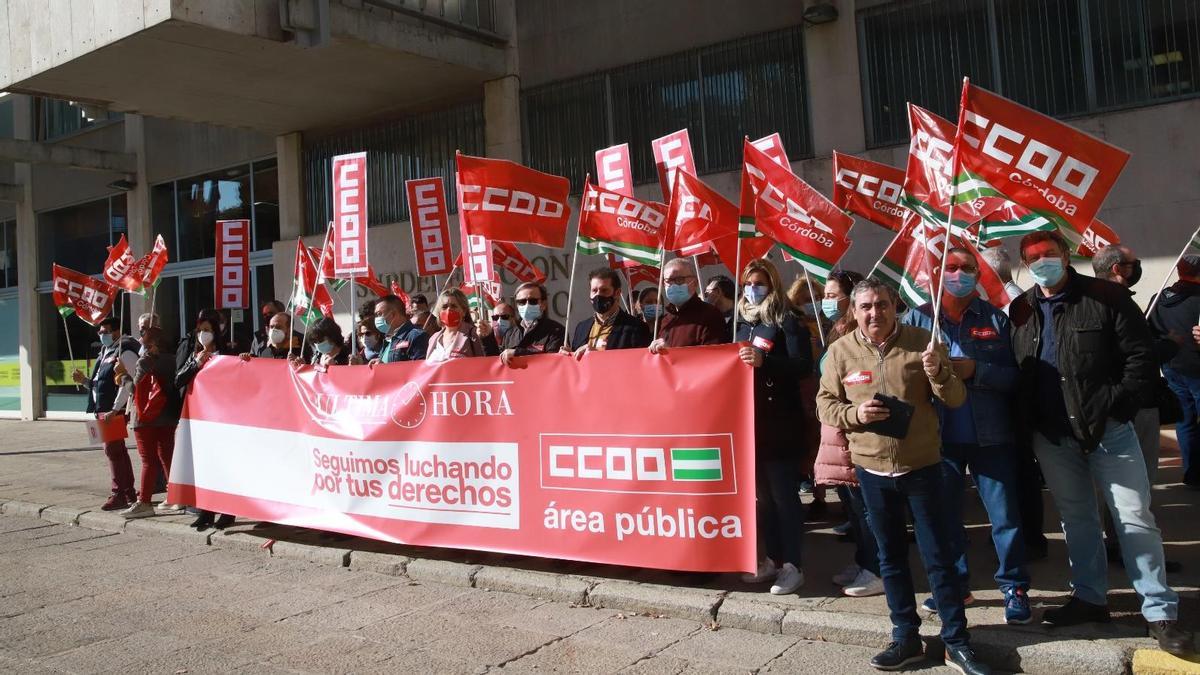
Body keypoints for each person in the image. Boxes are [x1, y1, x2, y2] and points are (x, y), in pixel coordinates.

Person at [1009, 231, 1188, 655]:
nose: (1042, 262)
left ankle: (1160, 611)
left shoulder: (1106, 296)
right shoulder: (1021, 309)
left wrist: (1115, 405)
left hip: (1108, 431)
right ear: (1025, 264)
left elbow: (1140, 358)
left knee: (1134, 517)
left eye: (1049, 254)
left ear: (1066, 256)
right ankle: (1089, 598)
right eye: (1033, 258)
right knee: (1077, 519)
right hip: (1053, 437)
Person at [817, 279, 987, 674]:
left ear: (895, 305)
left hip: (923, 468)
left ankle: (956, 642)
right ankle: (905, 635)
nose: (874, 313)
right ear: (854, 312)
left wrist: (939, 372)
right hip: (872, 473)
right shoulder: (840, 352)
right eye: (865, 307)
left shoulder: (922, 342)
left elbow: (955, 398)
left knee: (938, 558)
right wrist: (853, 416)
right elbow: (825, 405)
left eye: (881, 305)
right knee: (890, 560)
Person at [902, 248, 1032, 625]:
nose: (959, 274)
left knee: (1005, 516)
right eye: (952, 268)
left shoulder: (995, 318)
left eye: (967, 268)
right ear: (938, 274)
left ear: (978, 273)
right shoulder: (917, 319)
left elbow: (1015, 377)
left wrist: (978, 371)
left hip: (990, 436)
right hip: (937, 437)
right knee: (945, 518)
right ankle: (956, 586)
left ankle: (1014, 587)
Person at [734, 259, 812, 596]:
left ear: (773, 284)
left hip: (780, 422)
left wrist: (768, 362)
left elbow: (802, 367)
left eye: (760, 283)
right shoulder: (739, 323)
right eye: (749, 283)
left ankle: (793, 565)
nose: (754, 289)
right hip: (749, 424)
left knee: (784, 497)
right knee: (762, 498)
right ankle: (772, 559)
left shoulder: (788, 319)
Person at [811, 270, 884, 598]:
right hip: (836, 427)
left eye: (833, 294)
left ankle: (878, 569)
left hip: (854, 429)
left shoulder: (861, 336)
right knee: (853, 506)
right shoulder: (838, 330)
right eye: (825, 295)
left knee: (866, 505)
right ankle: (863, 560)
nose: (828, 301)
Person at [175, 309, 237, 532]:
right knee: (205, 467)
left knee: (224, 467)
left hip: (224, 419)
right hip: (200, 420)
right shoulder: (194, 355)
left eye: (207, 330)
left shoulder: (227, 352)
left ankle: (227, 511)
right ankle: (206, 511)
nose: (203, 334)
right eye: (200, 331)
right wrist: (196, 364)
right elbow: (178, 380)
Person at [72, 317, 140, 511]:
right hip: (102, 409)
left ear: (116, 332)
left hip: (113, 410)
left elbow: (126, 384)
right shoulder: (105, 352)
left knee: (113, 450)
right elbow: (99, 383)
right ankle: (127, 492)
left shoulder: (124, 351)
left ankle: (119, 493)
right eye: (100, 332)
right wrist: (85, 381)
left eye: (105, 332)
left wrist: (116, 409)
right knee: (116, 450)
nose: (101, 335)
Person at [120, 326, 183, 518]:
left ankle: (145, 501)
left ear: (153, 344)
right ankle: (176, 495)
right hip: (168, 416)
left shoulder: (145, 361)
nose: (142, 344)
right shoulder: (174, 360)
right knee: (167, 455)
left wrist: (122, 377)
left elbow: (136, 390)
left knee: (148, 460)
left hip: (146, 418)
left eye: (145, 341)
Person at [1151, 254, 1200, 488]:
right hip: (1196, 367)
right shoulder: (1198, 298)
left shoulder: (1157, 298)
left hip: (1171, 366)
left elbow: (1149, 332)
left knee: (1185, 421)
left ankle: (1191, 473)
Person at [566, 268, 650, 358]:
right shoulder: (581, 328)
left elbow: (638, 364)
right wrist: (568, 356)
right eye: (594, 290)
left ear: (617, 293)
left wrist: (598, 355)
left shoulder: (636, 327)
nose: (598, 295)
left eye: (604, 290)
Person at [649, 258, 727, 353]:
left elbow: (713, 358)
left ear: (695, 283)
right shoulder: (666, 320)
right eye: (668, 281)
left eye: (679, 280)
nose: (673, 285)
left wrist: (671, 354)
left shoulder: (710, 315)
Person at [499, 282, 565, 367]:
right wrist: (487, 337)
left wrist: (517, 353)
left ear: (544, 304)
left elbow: (553, 361)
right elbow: (496, 364)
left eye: (532, 301)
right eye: (521, 302)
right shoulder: (510, 334)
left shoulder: (556, 330)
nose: (527, 305)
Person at [426, 289, 500, 362]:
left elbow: (491, 361)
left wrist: (487, 338)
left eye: (453, 306)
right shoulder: (434, 338)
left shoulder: (474, 334)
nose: (448, 310)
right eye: (444, 307)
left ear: (464, 311)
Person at [372, 294, 429, 364]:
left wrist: (386, 368)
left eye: (379, 314)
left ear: (393, 314)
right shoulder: (388, 340)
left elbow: (420, 369)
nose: (377, 318)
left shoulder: (417, 336)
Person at [979, 247, 1022, 312]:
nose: (978, 275)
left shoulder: (1012, 298)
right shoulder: (1005, 295)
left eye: (982, 270)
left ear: (992, 273)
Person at [703, 274, 736, 340]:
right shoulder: (709, 319)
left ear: (718, 291)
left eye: (706, 293)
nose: (704, 297)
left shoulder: (742, 318)